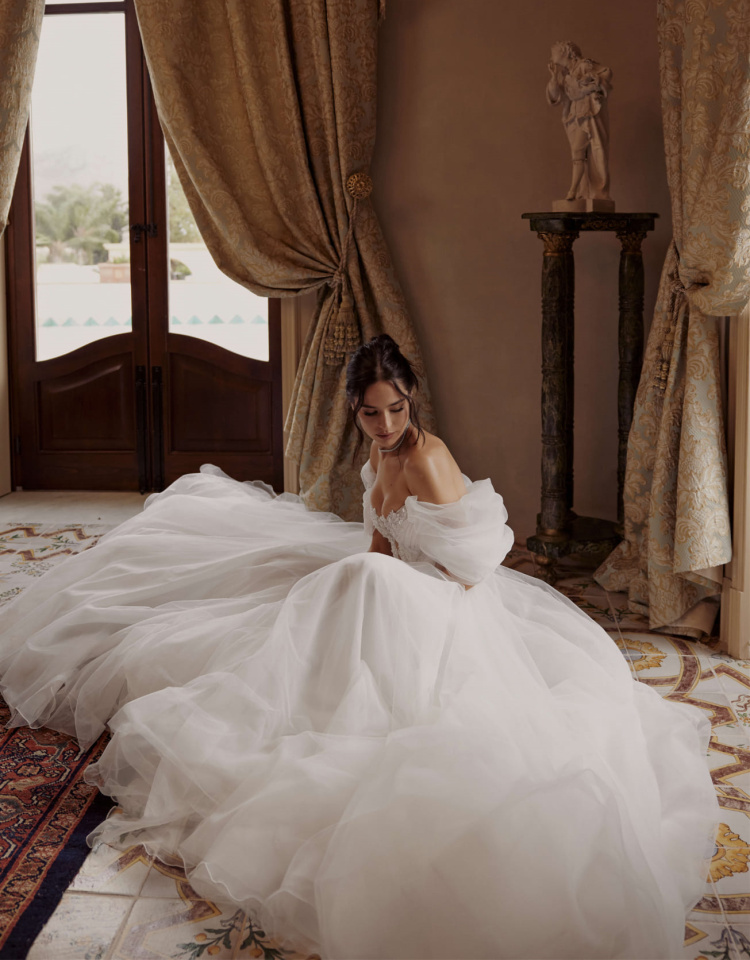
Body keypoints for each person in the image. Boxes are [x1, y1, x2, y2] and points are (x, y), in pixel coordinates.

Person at [0, 334, 717, 960]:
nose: (384, 424)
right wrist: (355, 575)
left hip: (446, 602)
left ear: (413, 402)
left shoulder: (430, 461)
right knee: (299, 598)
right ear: (354, 409)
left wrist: (386, 585)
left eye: (396, 409)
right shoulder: (376, 457)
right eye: (370, 412)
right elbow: (378, 538)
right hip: (390, 581)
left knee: (362, 585)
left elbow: (470, 569)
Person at [547, 40, 613, 202]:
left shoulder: (584, 66)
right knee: (578, 154)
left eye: (554, 53)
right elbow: (556, 95)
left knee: (580, 152)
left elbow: (606, 73)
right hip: (575, 117)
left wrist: (593, 84)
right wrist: (554, 76)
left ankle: (576, 191)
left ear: (565, 52)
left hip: (588, 115)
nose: (551, 56)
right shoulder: (565, 74)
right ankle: (580, 193)